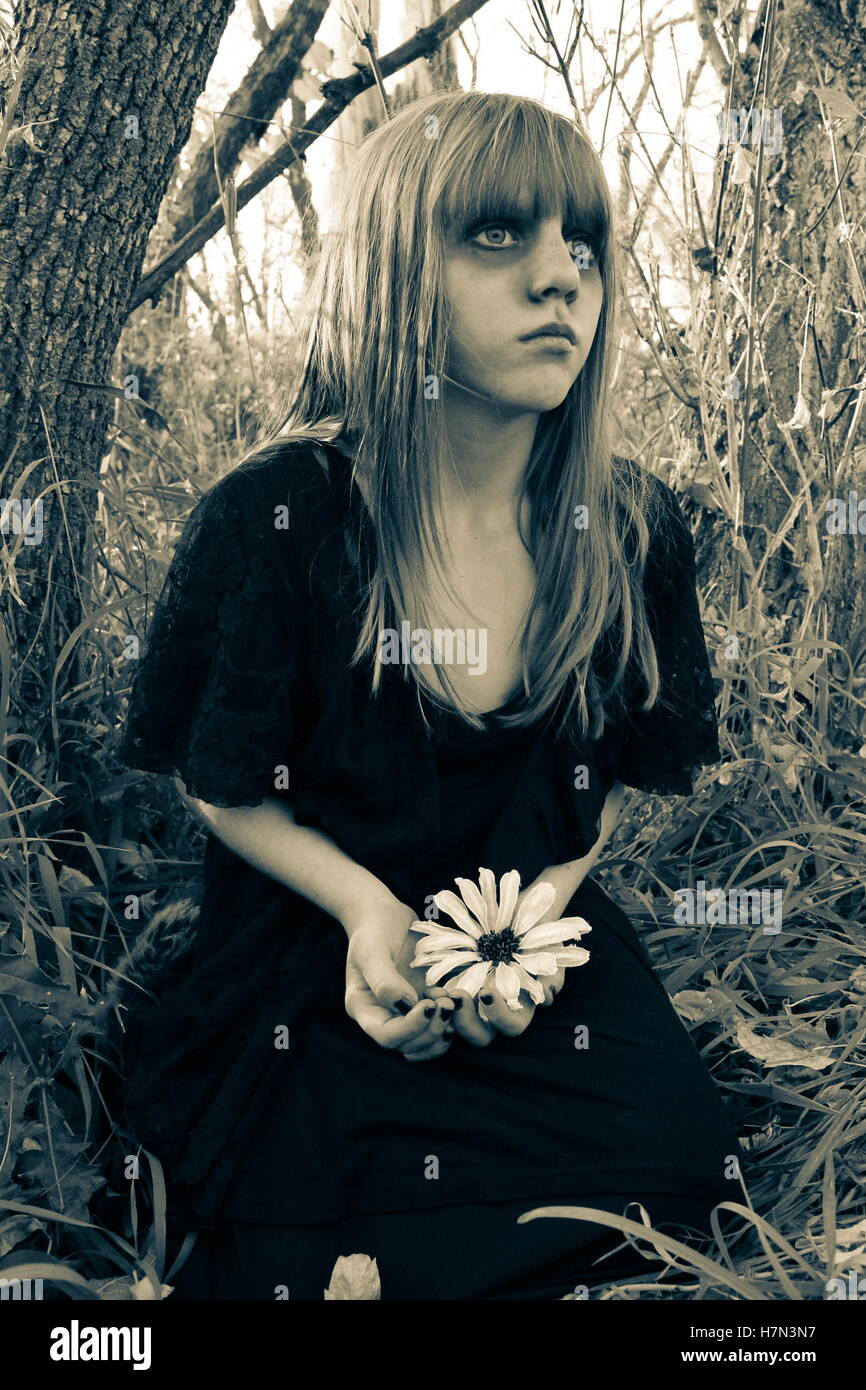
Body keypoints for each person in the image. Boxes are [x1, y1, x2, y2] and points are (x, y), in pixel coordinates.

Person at [116, 90, 744, 1301]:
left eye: (583, 240)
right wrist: (365, 911)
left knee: (676, 1173)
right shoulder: (283, 515)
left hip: (533, 935)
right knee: (310, 1239)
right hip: (313, 946)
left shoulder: (625, 526)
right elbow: (219, 779)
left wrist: (523, 943)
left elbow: (594, 789)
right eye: (497, 236)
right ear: (395, 268)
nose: (561, 277)